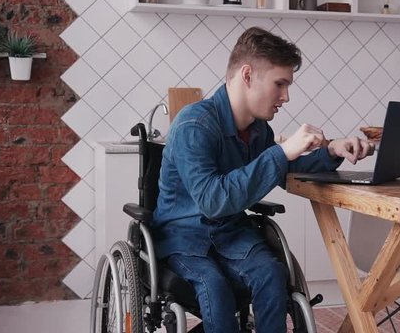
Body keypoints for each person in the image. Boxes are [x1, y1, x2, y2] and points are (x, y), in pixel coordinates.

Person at [153, 26, 375, 332]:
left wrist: (333, 149)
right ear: (247, 76)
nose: (286, 97)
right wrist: (283, 151)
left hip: (230, 234)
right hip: (184, 238)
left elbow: (284, 171)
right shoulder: (194, 124)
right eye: (279, 84)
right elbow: (212, 201)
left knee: (272, 273)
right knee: (214, 289)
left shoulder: (259, 131)